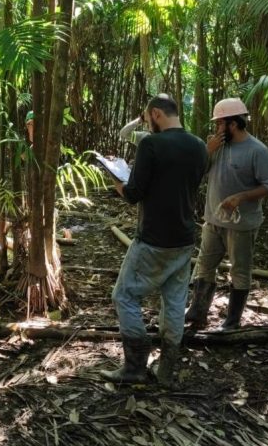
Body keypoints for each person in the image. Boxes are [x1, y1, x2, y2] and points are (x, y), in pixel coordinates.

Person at [100, 96, 208, 387]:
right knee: (174, 302)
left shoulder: (151, 144)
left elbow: (134, 194)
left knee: (123, 296)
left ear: (156, 114)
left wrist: (116, 181)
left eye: (148, 119)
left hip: (153, 239)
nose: (148, 124)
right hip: (184, 239)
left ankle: (135, 365)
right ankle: (166, 369)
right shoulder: (200, 146)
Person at [185, 97, 268, 331]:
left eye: (220, 123)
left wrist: (241, 197)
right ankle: (197, 314)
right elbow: (197, 172)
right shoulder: (217, 146)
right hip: (212, 220)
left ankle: (232, 321)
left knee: (239, 270)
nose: (217, 128)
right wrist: (207, 151)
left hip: (241, 225)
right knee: (204, 266)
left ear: (234, 124)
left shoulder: (257, 150)